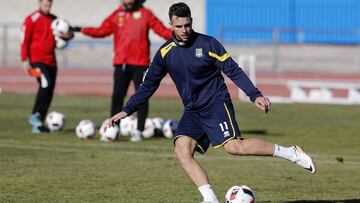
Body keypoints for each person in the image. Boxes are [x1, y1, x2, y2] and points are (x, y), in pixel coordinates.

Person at [109, 2, 316, 202]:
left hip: (216, 103)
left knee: (234, 148)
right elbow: (148, 86)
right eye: (179, 26)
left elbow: (232, 69)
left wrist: (255, 94)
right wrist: (127, 110)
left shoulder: (208, 44)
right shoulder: (165, 53)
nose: (184, 30)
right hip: (192, 110)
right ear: (170, 25)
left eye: (187, 25)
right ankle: (210, 199)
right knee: (181, 150)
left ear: (192, 21)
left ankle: (291, 153)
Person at [71, 0, 172, 142]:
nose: (127, 4)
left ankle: (139, 130)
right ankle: (113, 129)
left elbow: (162, 30)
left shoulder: (146, 14)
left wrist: (179, 36)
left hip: (140, 63)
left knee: (142, 97)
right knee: (117, 98)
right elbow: (102, 31)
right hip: (121, 64)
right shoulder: (117, 14)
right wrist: (82, 30)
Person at [21, 0, 72, 133]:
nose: (48, 7)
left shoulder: (55, 20)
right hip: (36, 60)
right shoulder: (31, 19)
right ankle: (35, 115)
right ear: (40, 3)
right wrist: (24, 59)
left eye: (49, 5)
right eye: (45, 5)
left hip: (51, 61)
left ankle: (38, 124)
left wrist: (67, 36)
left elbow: (68, 33)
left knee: (49, 90)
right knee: (46, 84)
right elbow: (24, 40)